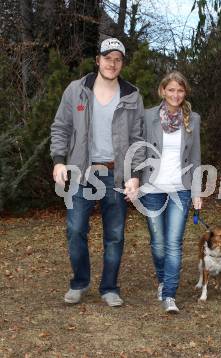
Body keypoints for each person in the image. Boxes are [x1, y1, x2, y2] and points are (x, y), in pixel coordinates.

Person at [50, 38, 145, 307]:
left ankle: (109, 287)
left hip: (115, 176)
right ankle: (79, 283)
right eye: (107, 58)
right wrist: (59, 160)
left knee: (115, 235)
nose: (112, 63)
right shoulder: (76, 90)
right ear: (98, 60)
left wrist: (135, 175)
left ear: (122, 63)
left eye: (117, 59)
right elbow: (60, 127)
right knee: (75, 229)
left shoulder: (131, 95)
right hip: (82, 173)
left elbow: (138, 139)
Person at [139, 71, 202, 313]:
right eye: (171, 90)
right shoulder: (147, 116)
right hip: (151, 189)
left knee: (173, 244)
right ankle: (163, 279)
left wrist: (197, 191)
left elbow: (195, 156)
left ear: (185, 93)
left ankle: (169, 295)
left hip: (180, 190)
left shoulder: (193, 119)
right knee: (158, 243)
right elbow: (140, 151)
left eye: (180, 90)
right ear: (162, 91)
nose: (176, 94)